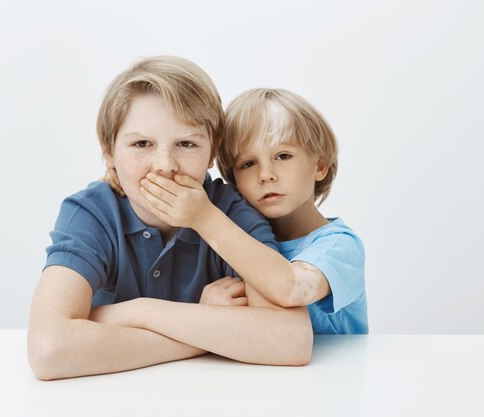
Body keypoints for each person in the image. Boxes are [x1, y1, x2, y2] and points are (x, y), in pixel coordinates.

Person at [27, 58, 313, 381]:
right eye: (141, 144)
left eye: (187, 144)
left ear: (212, 153)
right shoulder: (91, 213)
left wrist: (138, 312)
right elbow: (49, 348)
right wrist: (205, 329)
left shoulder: (232, 212)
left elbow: (291, 341)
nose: (164, 165)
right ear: (109, 152)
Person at [139, 88, 368, 334]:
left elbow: (292, 288)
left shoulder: (339, 246)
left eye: (283, 155)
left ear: (320, 166)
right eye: (248, 164)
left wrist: (203, 217)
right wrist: (207, 311)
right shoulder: (233, 238)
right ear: (233, 179)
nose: (265, 175)